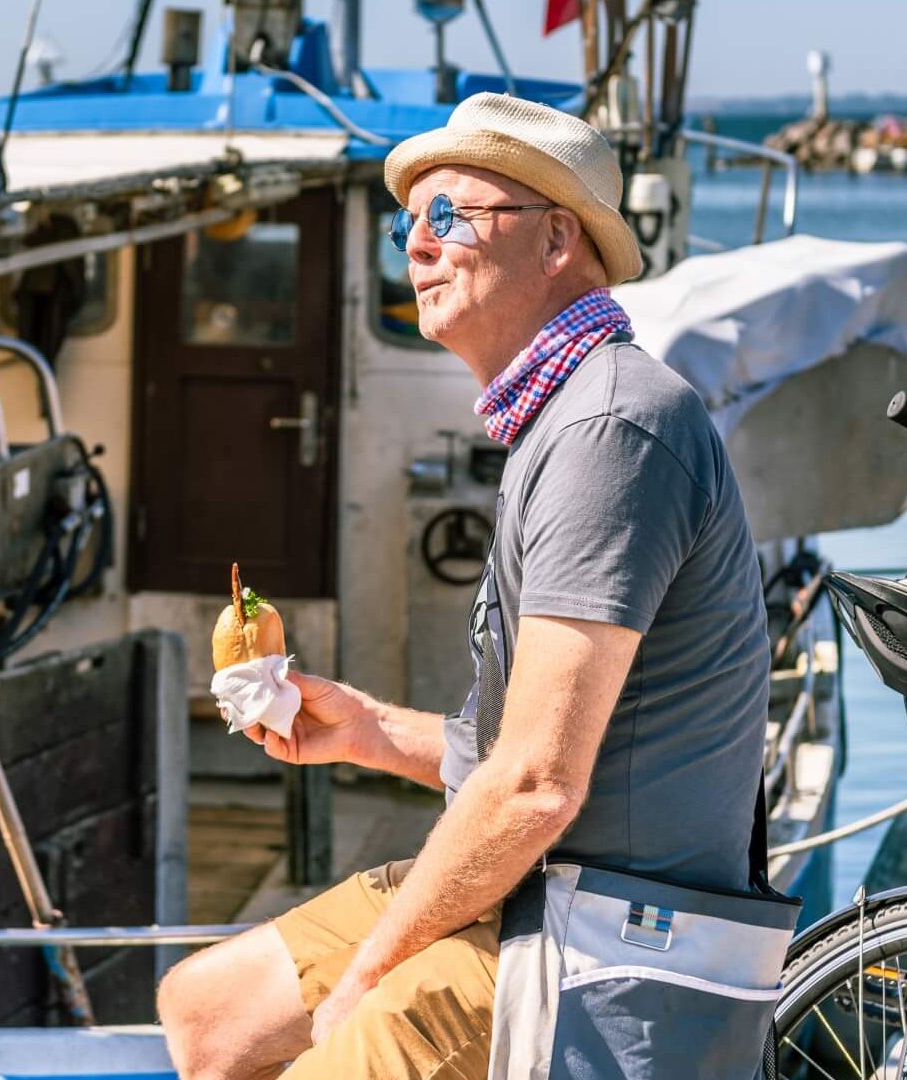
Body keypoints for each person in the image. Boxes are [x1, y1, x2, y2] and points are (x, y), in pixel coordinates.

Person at [157, 92, 771, 1080]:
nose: (417, 246)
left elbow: (534, 787)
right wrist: (365, 730)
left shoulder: (609, 429)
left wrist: (372, 967)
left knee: (345, 1022)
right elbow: (527, 756)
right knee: (208, 1010)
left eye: (449, 217)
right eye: (408, 225)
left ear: (556, 239)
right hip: (531, 885)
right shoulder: (561, 417)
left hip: (597, 933)